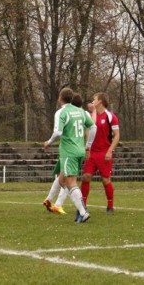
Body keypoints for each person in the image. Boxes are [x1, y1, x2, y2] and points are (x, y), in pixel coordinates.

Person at [43, 88, 96, 223]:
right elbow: (93, 127)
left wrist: (49, 142)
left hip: (69, 152)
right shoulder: (82, 112)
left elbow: (58, 132)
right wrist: (88, 145)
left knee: (71, 182)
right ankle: (55, 201)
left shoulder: (62, 112)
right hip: (80, 151)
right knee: (62, 180)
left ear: (60, 98)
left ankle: (83, 212)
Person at [81, 92, 120, 214]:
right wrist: (87, 148)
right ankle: (83, 205)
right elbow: (88, 131)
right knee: (86, 176)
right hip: (92, 153)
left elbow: (117, 135)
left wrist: (110, 151)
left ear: (100, 101)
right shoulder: (90, 116)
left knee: (105, 180)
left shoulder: (110, 117)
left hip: (104, 152)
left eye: (94, 99)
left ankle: (110, 206)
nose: (92, 100)